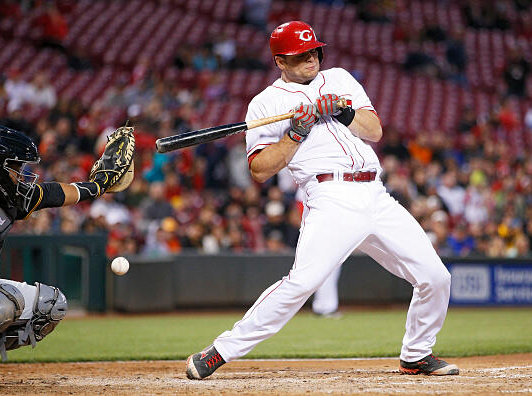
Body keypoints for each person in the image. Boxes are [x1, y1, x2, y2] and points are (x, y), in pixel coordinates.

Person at [186, 21, 458, 380]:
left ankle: (417, 354)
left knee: (435, 277)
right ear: (280, 61)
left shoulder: (341, 78)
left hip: (375, 194)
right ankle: (220, 351)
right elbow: (260, 169)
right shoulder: (266, 104)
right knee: (302, 282)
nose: (311, 58)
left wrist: (343, 112)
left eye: (313, 50)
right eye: (301, 55)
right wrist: (296, 132)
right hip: (330, 197)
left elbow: (374, 130)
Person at [0, 123, 125, 386]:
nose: (20, 174)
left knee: (50, 305)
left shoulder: (9, 198)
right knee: (4, 300)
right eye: (15, 167)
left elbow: (55, 193)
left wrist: (98, 184)